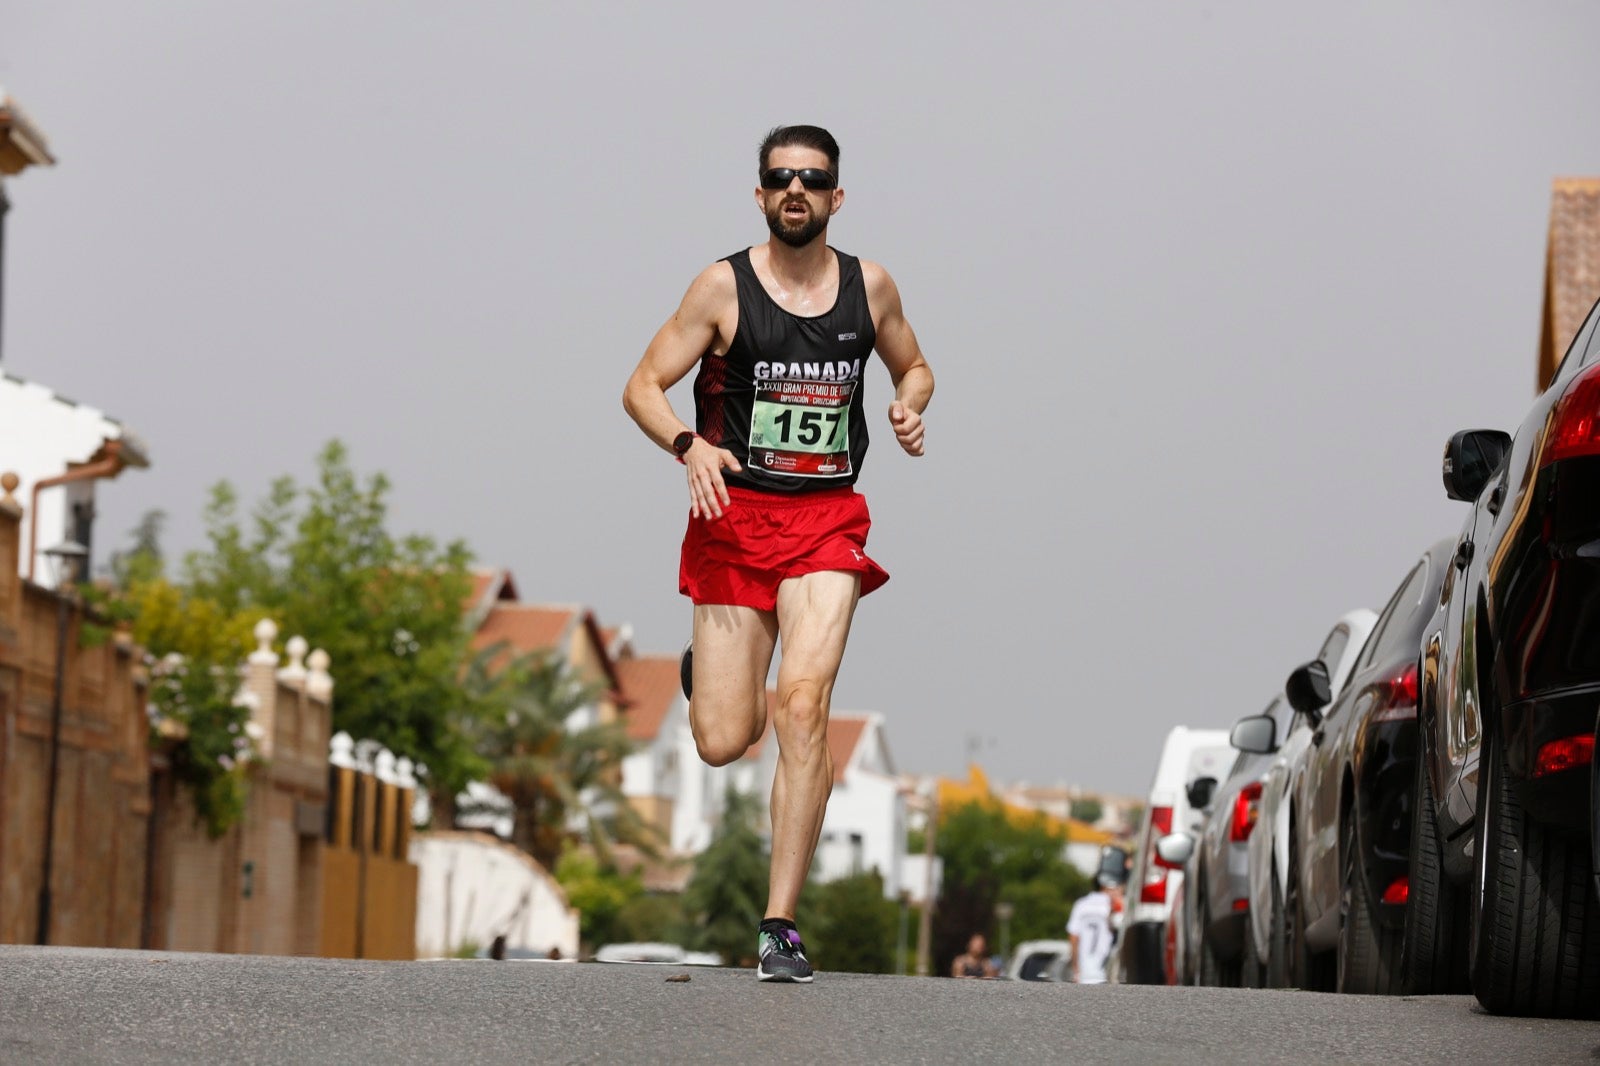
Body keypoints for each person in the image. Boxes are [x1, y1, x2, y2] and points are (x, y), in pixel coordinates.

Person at [622, 125, 934, 983]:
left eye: (813, 178)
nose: (796, 189)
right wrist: (688, 445)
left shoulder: (870, 289)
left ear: (837, 197)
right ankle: (713, 672)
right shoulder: (720, 288)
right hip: (733, 521)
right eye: (780, 178)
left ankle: (779, 926)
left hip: (827, 522)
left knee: (804, 706)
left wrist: (909, 404)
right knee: (725, 739)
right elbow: (640, 386)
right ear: (760, 195)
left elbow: (916, 367)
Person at [1068, 875, 1123, 985]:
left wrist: (1075, 966)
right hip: (1104, 968)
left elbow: (1073, 937)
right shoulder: (1113, 905)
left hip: (1084, 969)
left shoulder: (1081, 904)